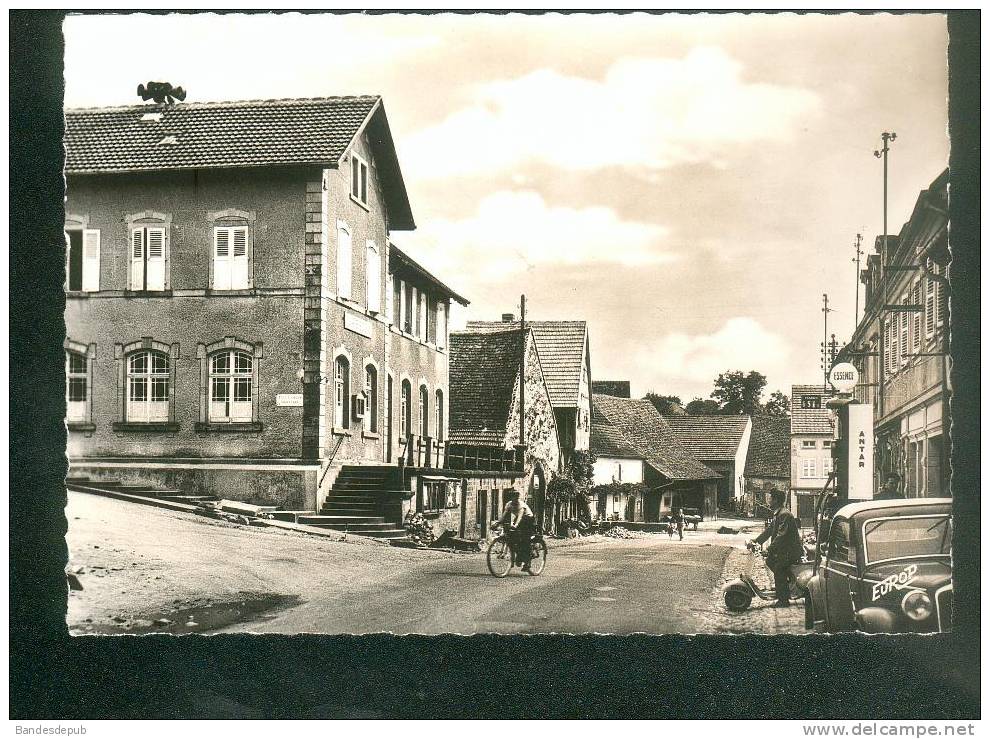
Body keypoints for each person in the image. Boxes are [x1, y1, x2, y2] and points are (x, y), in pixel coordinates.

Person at [749, 490, 803, 607]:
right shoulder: (778, 513)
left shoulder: (784, 514)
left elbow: (781, 536)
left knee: (779, 568)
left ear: (776, 500)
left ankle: (783, 600)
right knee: (770, 561)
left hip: (791, 552)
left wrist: (768, 550)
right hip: (785, 551)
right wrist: (756, 540)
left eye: (770, 498)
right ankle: (785, 585)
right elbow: (769, 531)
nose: (768, 501)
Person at [497, 492, 537, 573]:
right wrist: (498, 523)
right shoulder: (509, 504)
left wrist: (516, 525)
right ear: (511, 498)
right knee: (513, 537)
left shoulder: (521, 505)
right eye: (514, 498)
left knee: (524, 539)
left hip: (528, 519)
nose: (516, 500)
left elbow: (520, 516)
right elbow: (504, 515)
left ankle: (527, 561)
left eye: (517, 498)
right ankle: (517, 555)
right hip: (519, 519)